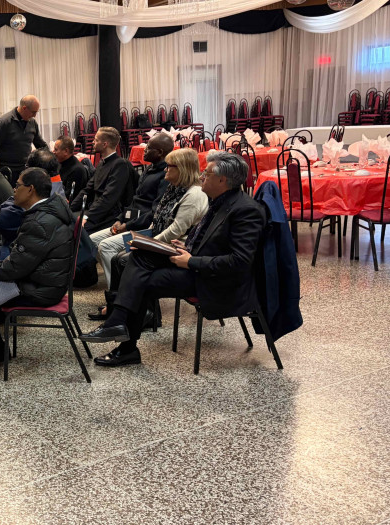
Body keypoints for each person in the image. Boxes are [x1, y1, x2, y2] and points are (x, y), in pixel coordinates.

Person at [80, 152, 265, 367]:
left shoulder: (245, 210)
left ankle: (124, 340)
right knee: (139, 255)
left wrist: (191, 261)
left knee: (141, 282)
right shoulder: (220, 201)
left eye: (207, 173)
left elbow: (239, 262)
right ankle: (119, 326)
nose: (201, 176)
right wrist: (187, 247)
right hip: (198, 263)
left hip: (216, 281)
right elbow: (212, 241)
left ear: (222, 180)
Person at [0, 168, 74, 379]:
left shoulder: (39, 221)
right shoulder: (46, 211)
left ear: (30, 190)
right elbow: (19, 260)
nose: (14, 191)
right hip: (40, 280)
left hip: (39, 288)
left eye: (17, 186)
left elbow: (15, 268)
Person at [90, 147, 209, 320]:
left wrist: (148, 242)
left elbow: (176, 230)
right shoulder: (173, 189)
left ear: (182, 169)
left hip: (175, 246)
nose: (166, 169)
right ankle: (120, 307)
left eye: (170, 166)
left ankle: (143, 312)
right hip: (158, 237)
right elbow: (158, 216)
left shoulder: (193, 195)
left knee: (123, 259)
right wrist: (145, 239)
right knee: (116, 257)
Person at [86, 133, 175, 286]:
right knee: (91, 241)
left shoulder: (165, 176)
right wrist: (119, 220)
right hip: (130, 222)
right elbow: (134, 202)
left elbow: (154, 213)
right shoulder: (149, 169)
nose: (144, 151)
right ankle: (123, 285)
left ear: (160, 152)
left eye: (148, 148)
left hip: (145, 230)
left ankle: (117, 295)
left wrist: (127, 225)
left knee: (106, 248)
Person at [70, 127, 136, 233]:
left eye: (96, 140)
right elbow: (87, 190)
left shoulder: (120, 165)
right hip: (97, 211)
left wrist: (87, 217)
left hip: (109, 215)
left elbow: (109, 198)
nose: (93, 142)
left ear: (105, 144)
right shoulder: (102, 163)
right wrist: (70, 208)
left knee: (74, 230)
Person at [0, 95, 47, 185]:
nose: (34, 116)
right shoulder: (4, 122)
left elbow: (41, 145)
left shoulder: (32, 122)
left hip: (25, 170)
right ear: (24, 108)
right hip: (7, 171)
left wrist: (49, 156)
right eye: (33, 112)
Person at [53, 136, 91, 202]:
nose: (53, 152)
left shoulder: (77, 170)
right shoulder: (60, 163)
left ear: (66, 151)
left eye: (56, 150)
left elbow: (69, 198)